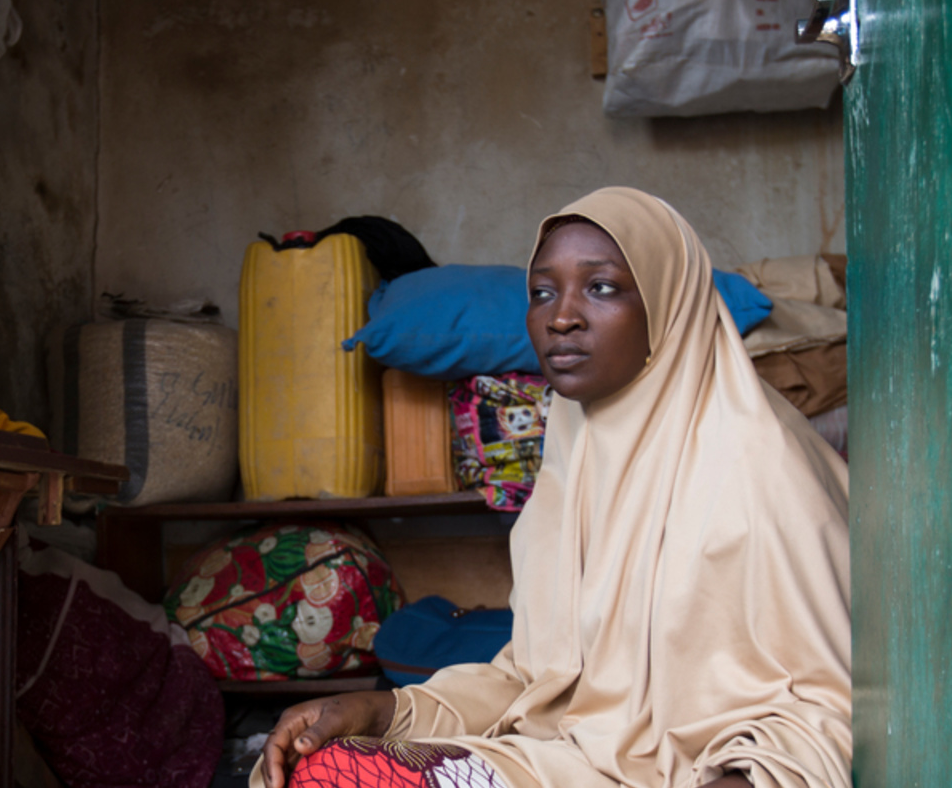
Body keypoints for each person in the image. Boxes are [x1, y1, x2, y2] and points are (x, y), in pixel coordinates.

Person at [257, 187, 851, 788]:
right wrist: (381, 711)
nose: (560, 316)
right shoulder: (575, 452)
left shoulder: (758, 463)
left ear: (670, 304)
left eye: (601, 287)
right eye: (542, 292)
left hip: (699, 776)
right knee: (319, 772)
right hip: (571, 763)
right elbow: (537, 682)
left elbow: (828, 712)